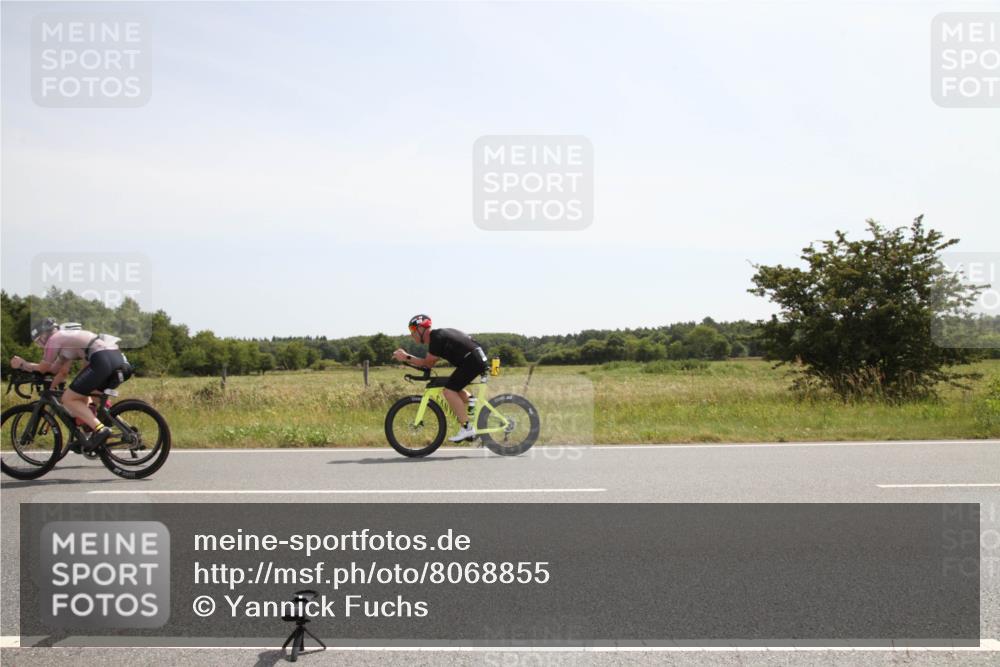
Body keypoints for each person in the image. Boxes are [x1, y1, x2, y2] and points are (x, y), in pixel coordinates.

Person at [10, 318, 131, 453]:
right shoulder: (64, 343)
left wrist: (22, 364)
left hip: (102, 359)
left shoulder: (54, 339)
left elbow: (44, 367)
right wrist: (27, 367)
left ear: (44, 334)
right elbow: (54, 369)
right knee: (92, 400)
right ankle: (115, 433)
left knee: (68, 399)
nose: (40, 345)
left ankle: (100, 430)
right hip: (113, 356)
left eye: (39, 341)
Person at [393, 314, 487, 442]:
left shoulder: (436, 338)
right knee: (452, 386)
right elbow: (429, 363)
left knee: (449, 391)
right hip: (474, 359)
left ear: (421, 329)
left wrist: (406, 357)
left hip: (472, 360)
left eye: (412, 330)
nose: (411, 334)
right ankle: (472, 401)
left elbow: (428, 363)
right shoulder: (438, 336)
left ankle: (467, 428)